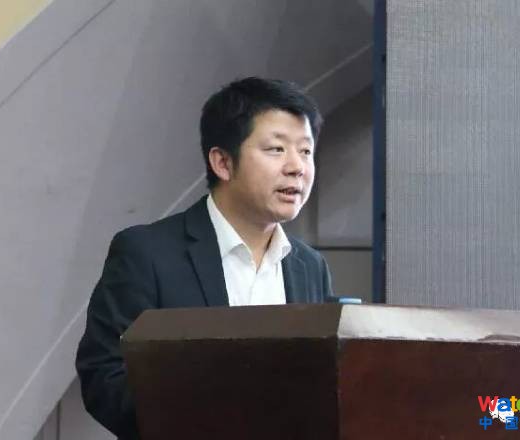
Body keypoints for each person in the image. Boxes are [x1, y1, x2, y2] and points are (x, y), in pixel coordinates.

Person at [75, 77, 333, 439]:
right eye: (276, 149)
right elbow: (105, 376)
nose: (297, 167)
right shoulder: (147, 253)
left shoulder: (309, 266)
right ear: (223, 162)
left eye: (305, 151)